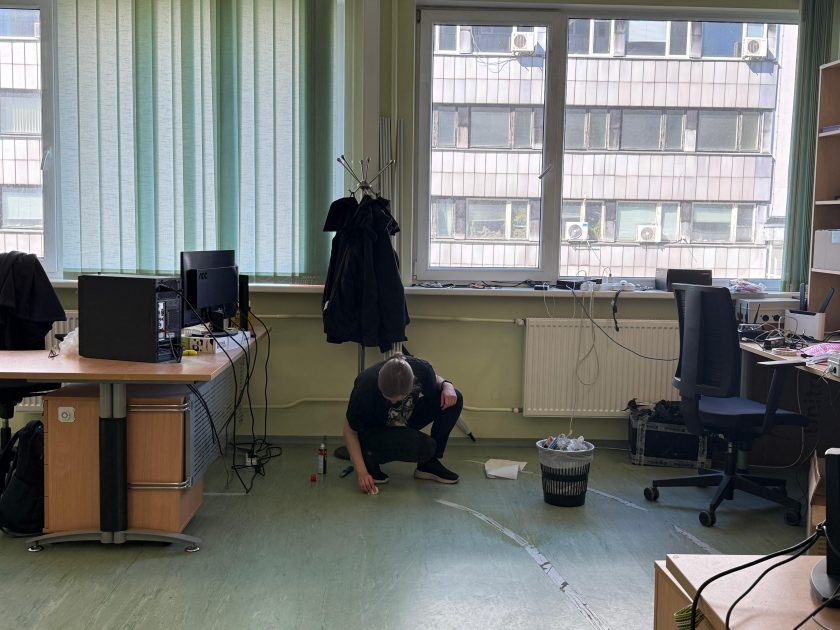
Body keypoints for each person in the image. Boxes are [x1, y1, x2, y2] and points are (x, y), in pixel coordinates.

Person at [343, 354, 463, 494]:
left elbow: (435, 379)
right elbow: (349, 430)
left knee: (455, 398)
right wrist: (361, 472)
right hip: (376, 430)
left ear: (413, 383)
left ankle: (429, 464)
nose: (393, 402)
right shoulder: (365, 385)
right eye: (388, 398)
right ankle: (367, 456)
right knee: (426, 446)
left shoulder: (421, 368)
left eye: (398, 399)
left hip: (404, 416)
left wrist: (447, 385)